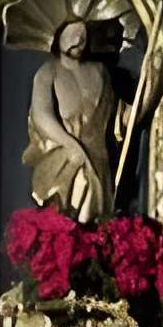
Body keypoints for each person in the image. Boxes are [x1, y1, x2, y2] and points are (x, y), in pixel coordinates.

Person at [24, 17, 119, 219]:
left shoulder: (100, 72)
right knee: (67, 216)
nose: (78, 39)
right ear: (58, 36)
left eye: (83, 34)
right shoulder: (48, 72)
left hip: (98, 156)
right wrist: (72, 145)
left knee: (96, 222)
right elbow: (42, 115)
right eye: (72, 34)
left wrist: (149, 92)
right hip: (65, 157)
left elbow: (115, 115)